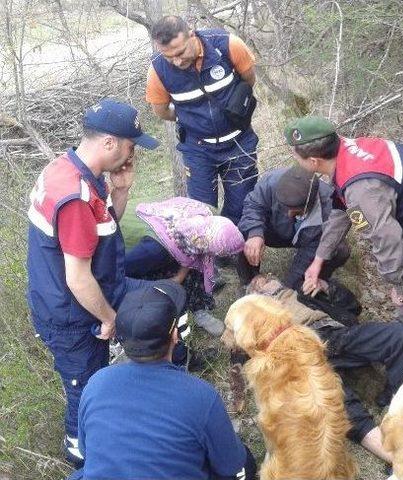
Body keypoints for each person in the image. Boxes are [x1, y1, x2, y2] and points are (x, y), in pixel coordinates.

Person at [26, 99, 160, 466]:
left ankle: (155, 389)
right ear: (110, 143)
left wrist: (121, 190)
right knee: (85, 387)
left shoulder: (70, 169)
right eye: (131, 146)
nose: (132, 154)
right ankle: (80, 456)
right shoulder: (75, 194)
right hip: (71, 313)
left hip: (93, 290)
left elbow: (99, 232)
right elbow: (78, 277)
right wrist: (110, 318)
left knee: (167, 300)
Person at [284, 117, 403, 335]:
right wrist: (319, 259)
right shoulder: (346, 149)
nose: (294, 158)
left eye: (295, 154)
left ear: (313, 161)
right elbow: (343, 211)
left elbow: (386, 241)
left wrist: (400, 285)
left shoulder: (360, 189)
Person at [68, 281, 256, 480]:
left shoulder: (95, 384)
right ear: (175, 335)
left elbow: (86, 450)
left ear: (121, 338)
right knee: (245, 464)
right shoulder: (201, 396)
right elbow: (230, 465)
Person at [241, 273, 403, 463]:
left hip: (336, 335)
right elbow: (244, 355)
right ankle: (399, 459)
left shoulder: (301, 290)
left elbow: (353, 306)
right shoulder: (257, 321)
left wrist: (327, 286)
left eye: (266, 279)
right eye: (256, 287)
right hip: (301, 353)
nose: (262, 284)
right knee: (332, 398)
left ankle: (399, 404)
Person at [146, 15, 259, 224]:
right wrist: (193, 121)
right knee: (201, 214)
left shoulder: (228, 44)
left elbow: (248, 81)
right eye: (168, 56)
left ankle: (237, 255)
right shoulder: (158, 70)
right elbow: (161, 111)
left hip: (239, 143)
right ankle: (210, 257)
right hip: (198, 150)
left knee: (241, 209)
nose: (176, 61)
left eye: (180, 52)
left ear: (192, 33)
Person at [237, 165, 350, 289]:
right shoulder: (272, 181)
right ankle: (250, 279)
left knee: (340, 250)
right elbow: (254, 205)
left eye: (296, 211)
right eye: (285, 207)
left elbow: (313, 249)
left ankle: (313, 281)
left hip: (309, 239)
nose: (289, 214)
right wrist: (255, 233)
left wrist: (288, 287)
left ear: (310, 204)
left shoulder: (330, 209)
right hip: (274, 230)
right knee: (244, 232)